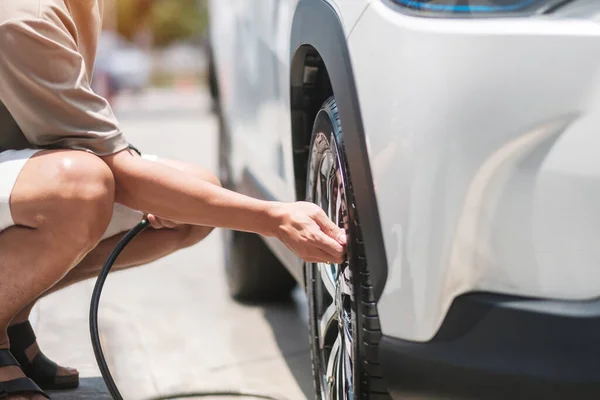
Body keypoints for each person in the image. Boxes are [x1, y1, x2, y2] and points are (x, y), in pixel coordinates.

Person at [0, 1, 347, 399]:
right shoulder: (24, 17)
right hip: (29, 178)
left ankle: (12, 310)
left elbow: (91, 143)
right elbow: (113, 171)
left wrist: (161, 192)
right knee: (81, 187)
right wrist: (274, 219)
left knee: (194, 195)